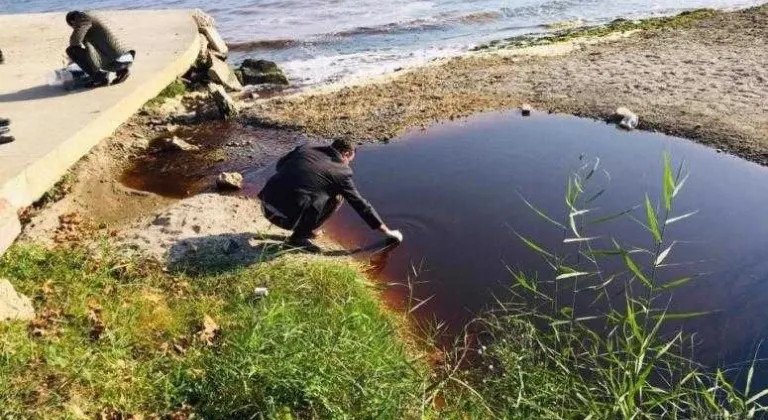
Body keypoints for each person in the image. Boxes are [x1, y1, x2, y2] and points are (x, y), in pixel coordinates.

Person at [258, 139, 403, 252]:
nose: (348, 164)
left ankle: (305, 230)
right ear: (346, 153)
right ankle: (299, 237)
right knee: (338, 197)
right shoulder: (341, 171)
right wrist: (386, 231)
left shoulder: (306, 147)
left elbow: (279, 165)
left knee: (311, 189)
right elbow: (360, 204)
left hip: (265, 205)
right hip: (283, 219)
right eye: (350, 160)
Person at [65, 11, 135, 88]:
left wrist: (73, 56)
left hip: (117, 62)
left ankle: (99, 78)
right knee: (99, 53)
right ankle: (122, 71)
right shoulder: (95, 18)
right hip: (127, 59)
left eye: (72, 26)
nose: (74, 28)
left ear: (72, 21)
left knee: (71, 50)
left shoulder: (82, 17)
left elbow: (75, 40)